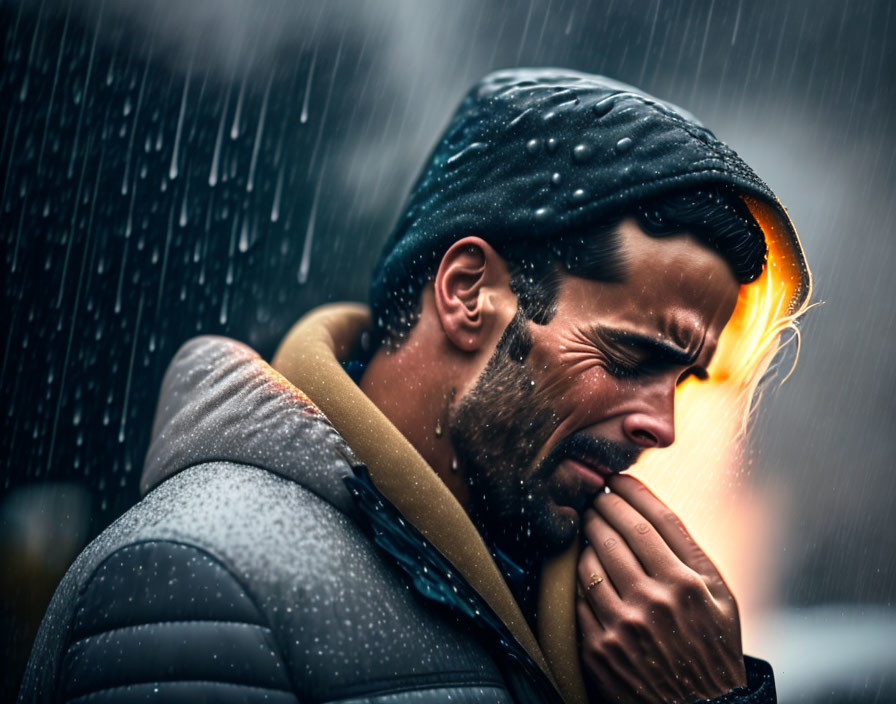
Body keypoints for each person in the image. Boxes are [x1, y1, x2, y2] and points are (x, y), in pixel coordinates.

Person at [20, 68, 810, 703]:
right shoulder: (192, 587)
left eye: (683, 378)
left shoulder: (598, 628)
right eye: (631, 358)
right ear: (468, 293)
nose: (663, 426)